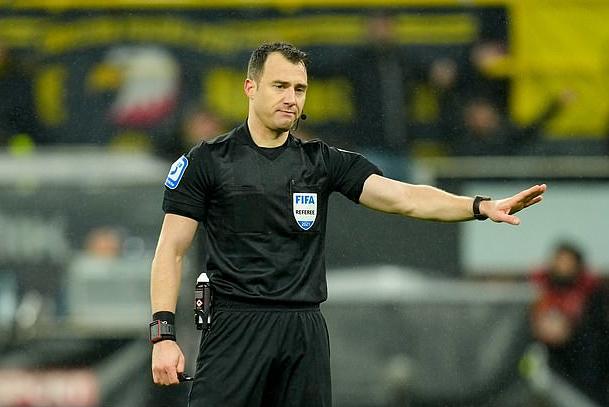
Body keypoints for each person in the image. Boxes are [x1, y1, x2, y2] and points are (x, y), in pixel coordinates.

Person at [150, 42, 546, 407]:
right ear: (250, 87)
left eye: (300, 89)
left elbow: (404, 197)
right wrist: (163, 335)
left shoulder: (321, 162)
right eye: (280, 86)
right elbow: (171, 249)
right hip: (234, 326)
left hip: (302, 329)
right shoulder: (207, 162)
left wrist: (478, 206)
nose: (291, 98)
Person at [529, 241, 607, 405]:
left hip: (580, 350)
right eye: (560, 261)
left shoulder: (592, 290)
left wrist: (570, 328)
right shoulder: (536, 287)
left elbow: (598, 322)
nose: (563, 267)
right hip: (541, 348)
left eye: (568, 262)